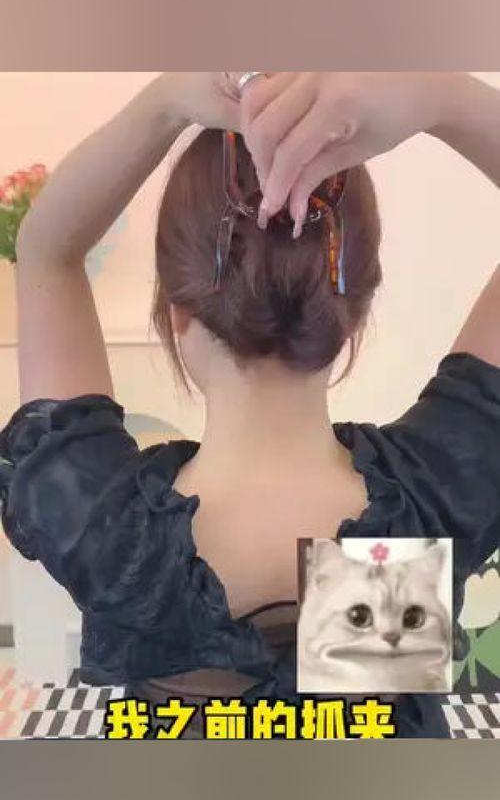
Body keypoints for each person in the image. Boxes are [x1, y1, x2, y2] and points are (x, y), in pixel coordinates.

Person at [1, 72, 499, 739]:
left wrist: (164, 103)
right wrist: (440, 95)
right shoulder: (428, 501)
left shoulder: (106, 526)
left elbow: (45, 251)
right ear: (350, 316)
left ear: (177, 314)